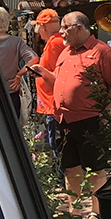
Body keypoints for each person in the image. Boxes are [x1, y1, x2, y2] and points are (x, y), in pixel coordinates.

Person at [31, 12, 111, 213]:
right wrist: (44, 73)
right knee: (70, 167)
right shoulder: (66, 52)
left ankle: (97, 212)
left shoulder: (102, 52)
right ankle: (75, 210)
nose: (61, 31)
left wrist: (107, 113)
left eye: (65, 27)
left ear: (79, 28)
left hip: (90, 120)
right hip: (63, 119)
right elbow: (58, 82)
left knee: (95, 168)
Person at [31, 8, 67, 158]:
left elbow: (57, 76)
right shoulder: (55, 41)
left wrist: (40, 71)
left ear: (43, 27)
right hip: (51, 104)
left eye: (38, 27)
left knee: (57, 144)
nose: (37, 31)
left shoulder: (55, 44)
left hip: (53, 105)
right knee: (55, 143)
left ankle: (61, 172)